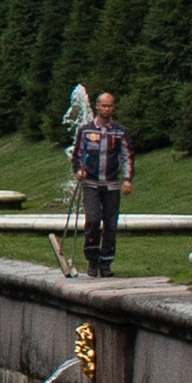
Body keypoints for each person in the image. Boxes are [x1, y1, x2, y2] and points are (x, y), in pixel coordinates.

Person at [67, 97, 133, 273]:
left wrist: (127, 179)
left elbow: (126, 156)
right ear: (97, 107)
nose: (107, 109)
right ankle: (92, 259)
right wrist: (78, 170)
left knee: (111, 225)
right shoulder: (86, 130)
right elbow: (78, 155)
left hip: (111, 184)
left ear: (114, 107)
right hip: (91, 183)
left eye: (110, 105)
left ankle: (106, 263)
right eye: (103, 105)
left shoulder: (119, 132)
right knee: (93, 221)